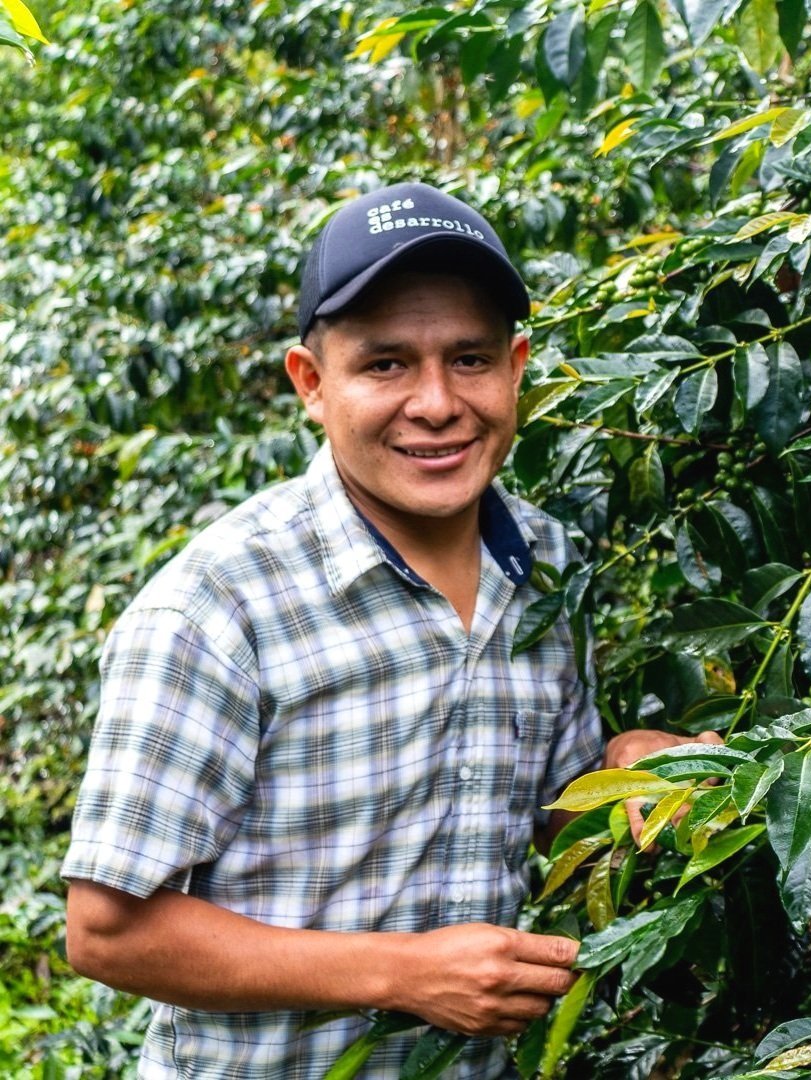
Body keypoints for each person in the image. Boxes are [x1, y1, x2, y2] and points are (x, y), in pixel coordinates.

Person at [62, 181, 714, 1078]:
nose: (437, 402)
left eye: (470, 359)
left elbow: (544, 813)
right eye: (386, 365)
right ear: (311, 383)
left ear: (517, 367)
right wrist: (404, 974)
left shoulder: (545, 561)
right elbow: (107, 933)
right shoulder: (219, 606)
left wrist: (630, 768)